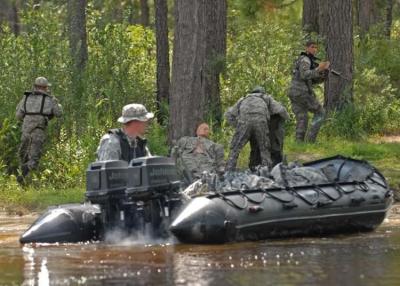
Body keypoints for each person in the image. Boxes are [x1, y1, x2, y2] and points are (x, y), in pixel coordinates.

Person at [225, 86, 288, 171]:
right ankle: (267, 172)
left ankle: (228, 171)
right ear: (262, 92)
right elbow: (281, 110)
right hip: (261, 123)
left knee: (235, 149)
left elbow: (228, 115)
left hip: (244, 122)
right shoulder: (266, 98)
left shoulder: (243, 99)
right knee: (264, 149)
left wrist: (238, 126)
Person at [16, 77, 62, 182]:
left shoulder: (26, 98)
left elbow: (18, 116)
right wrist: (55, 102)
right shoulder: (50, 99)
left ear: (35, 86)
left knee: (23, 156)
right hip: (38, 131)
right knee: (34, 160)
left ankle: (22, 180)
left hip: (25, 131)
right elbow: (59, 113)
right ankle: (24, 174)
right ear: (46, 88)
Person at [288, 40, 330, 143]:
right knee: (320, 113)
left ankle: (299, 143)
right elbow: (305, 75)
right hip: (302, 92)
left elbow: (312, 80)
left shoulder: (305, 60)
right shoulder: (305, 60)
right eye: (312, 47)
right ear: (306, 48)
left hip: (294, 92)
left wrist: (323, 74)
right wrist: (318, 69)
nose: (314, 49)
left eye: (316, 47)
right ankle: (311, 140)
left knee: (302, 117)